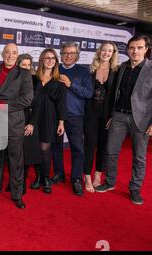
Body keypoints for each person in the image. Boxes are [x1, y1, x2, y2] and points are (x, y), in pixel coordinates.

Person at [96, 35, 152, 205]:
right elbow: (116, 94)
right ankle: (110, 182)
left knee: (139, 157)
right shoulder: (122, 67)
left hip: (141, 120)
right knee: (110, 152)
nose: (135, 51)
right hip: (119, 116)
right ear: (128, 50)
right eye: (132, 48)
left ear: (146, 49)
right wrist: (112, 115)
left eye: (139, 47)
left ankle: (135, 188)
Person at [0, 43, 33, 209]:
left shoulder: (24, 74)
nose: (10, 56)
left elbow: (26, 99)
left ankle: (17, 195)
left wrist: (1, 105)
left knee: (15, 161)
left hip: (14, 125)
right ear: (2, 54)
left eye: (14, 53)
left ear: (17, 56)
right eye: (8, 52)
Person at [51, 42, 93, 196]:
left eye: (71, 53)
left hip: (75, 117)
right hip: (56, 116)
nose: (68, 56)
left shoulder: (84, 72)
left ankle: (76, 179)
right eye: (65, 53)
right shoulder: (55, 69)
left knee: (78, 149)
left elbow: (88, 93)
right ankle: (59, 174)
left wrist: (71, 84)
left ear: (77, 55)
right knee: (56, 147)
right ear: (61, 55)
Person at [83, 41, 118, 192]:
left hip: (107, 115)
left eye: (109, 51)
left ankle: (98, 174)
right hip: (90, 114)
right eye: (104, 50)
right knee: (89, 145)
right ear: (99, 52)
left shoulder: (116, 71)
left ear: (113, 54)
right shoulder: (90, 70)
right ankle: (87, 177)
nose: (106, 53)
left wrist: (112, 116)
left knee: (103, 147)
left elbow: (118, 96)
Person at [31, 49, 67, 193]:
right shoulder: (34, 79)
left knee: (45, 149)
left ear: (56, 62)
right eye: (47, 57)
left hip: (50, 119)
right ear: (42, 60)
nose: (50, 60)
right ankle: (38, 177)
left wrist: (61, 122)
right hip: (34, 119)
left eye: (53, 58)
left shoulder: (59, 82)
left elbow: (62, 104)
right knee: (35, 149)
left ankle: (45, 178)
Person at [4, 54, 41, 194]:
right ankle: (14, 181)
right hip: (11, 118)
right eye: (23, 65)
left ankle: (21, 184)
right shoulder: (10, 79)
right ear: (17, 65)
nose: (26, 67)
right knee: (12, 153)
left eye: (28, 65)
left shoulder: (35, 80)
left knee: (24, 154)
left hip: (27, 118)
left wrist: (31, 123)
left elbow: (38, 105)